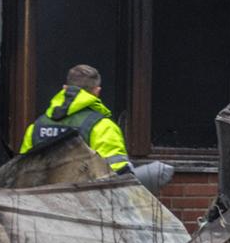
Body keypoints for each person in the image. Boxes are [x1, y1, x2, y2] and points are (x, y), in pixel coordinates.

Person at [21, 64, 172, 190]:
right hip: (85, 209)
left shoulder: (36, 127)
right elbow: (119, 176)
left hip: (40, 208)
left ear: (65, 88)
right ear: (97, 91)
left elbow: (21, 173)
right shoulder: (102, 127)